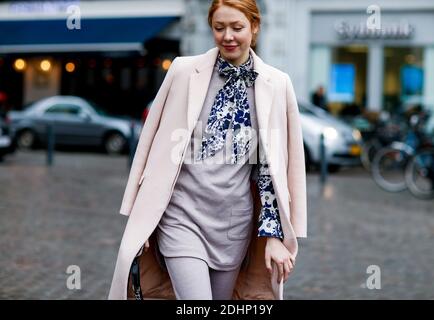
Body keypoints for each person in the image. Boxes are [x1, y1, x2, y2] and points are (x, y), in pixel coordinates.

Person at [109, 0, 307, 300]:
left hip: (233, 225)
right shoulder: (183, 70)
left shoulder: (277, 84)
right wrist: (142, 219)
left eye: (237, 27)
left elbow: (272, 170)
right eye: (219, 27)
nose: (228, 36)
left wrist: (274, 236)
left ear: (254, 27)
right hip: (180, 216)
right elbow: (151, 145)